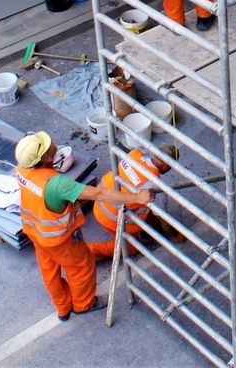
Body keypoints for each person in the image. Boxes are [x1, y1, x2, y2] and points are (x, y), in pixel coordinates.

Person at [14, 131, 154, 322]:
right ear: (46, 158)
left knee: (49, 270)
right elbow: (98, 194)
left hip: (35, 232)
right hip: (59, 240)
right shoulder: (57, 184)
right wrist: (136, 197)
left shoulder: (22, 170)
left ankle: (63, 308)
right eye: (49, 144)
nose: (53, 142)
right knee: (81, 267)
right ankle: (83, 304)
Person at [92, 147, 175, 253]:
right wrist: (173, 236)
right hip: (111, 218)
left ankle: (148, 228)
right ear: (166, 165)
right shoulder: (155, 184)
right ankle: (91, 251)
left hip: (99, 200)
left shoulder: (134, 153)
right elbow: (163, 216)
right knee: (130, 248)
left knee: (150, 211)